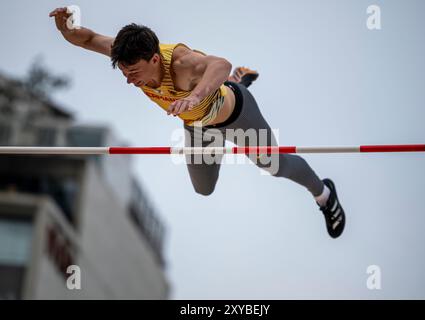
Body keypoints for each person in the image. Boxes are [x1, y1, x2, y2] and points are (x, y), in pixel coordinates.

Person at [49, 7, 346, 238]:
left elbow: (220, 64)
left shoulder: (182, 63)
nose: (130, 81)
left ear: (155, 59)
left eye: (135, 73)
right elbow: (87, 39)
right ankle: (233, 83)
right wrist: (66, 29)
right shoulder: (128, 52)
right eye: (126, 73)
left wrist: (195, 96)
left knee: (274, 165)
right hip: (198, 126)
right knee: (203, 189)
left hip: (236, 116)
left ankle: (324, 194)